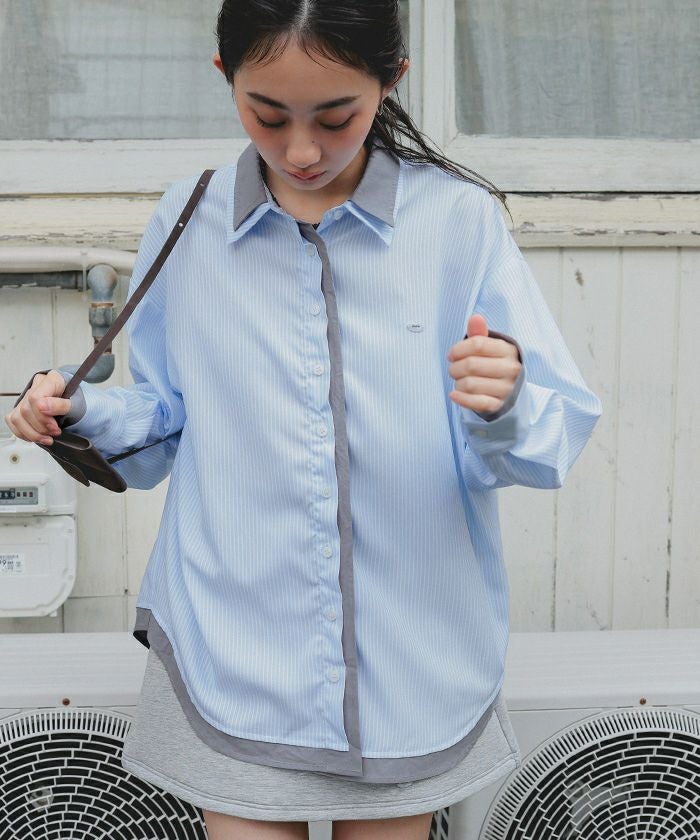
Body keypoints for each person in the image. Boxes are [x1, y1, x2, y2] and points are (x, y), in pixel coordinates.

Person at [4, 2, 602, 839]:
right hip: (233, 641)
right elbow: (168, 418)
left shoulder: (457, 222)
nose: (302, 151)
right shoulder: (189, 218)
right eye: (267, 114)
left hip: (411, 656)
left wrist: (506, 401)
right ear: (225, 77)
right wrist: (79, 410)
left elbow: (550, 438)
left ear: (391, 80)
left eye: (336, 116)